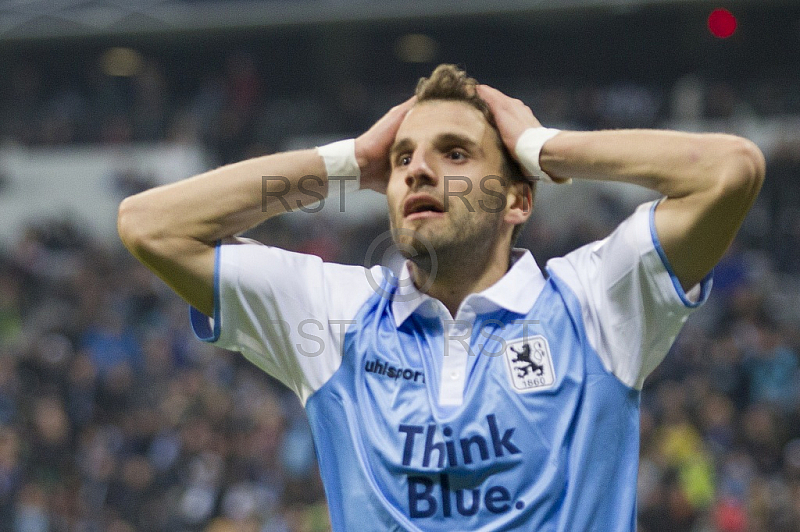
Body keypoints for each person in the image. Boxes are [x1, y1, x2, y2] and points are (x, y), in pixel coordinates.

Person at [117, 64, 765, 531]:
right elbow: (150, 225)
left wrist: (546, 148)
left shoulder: (596, 301)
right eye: (402, 160)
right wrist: (345, 163)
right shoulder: (334, 315)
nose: (419, 170)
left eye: (455, 153)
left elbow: (730, 170)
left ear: (518, 197)